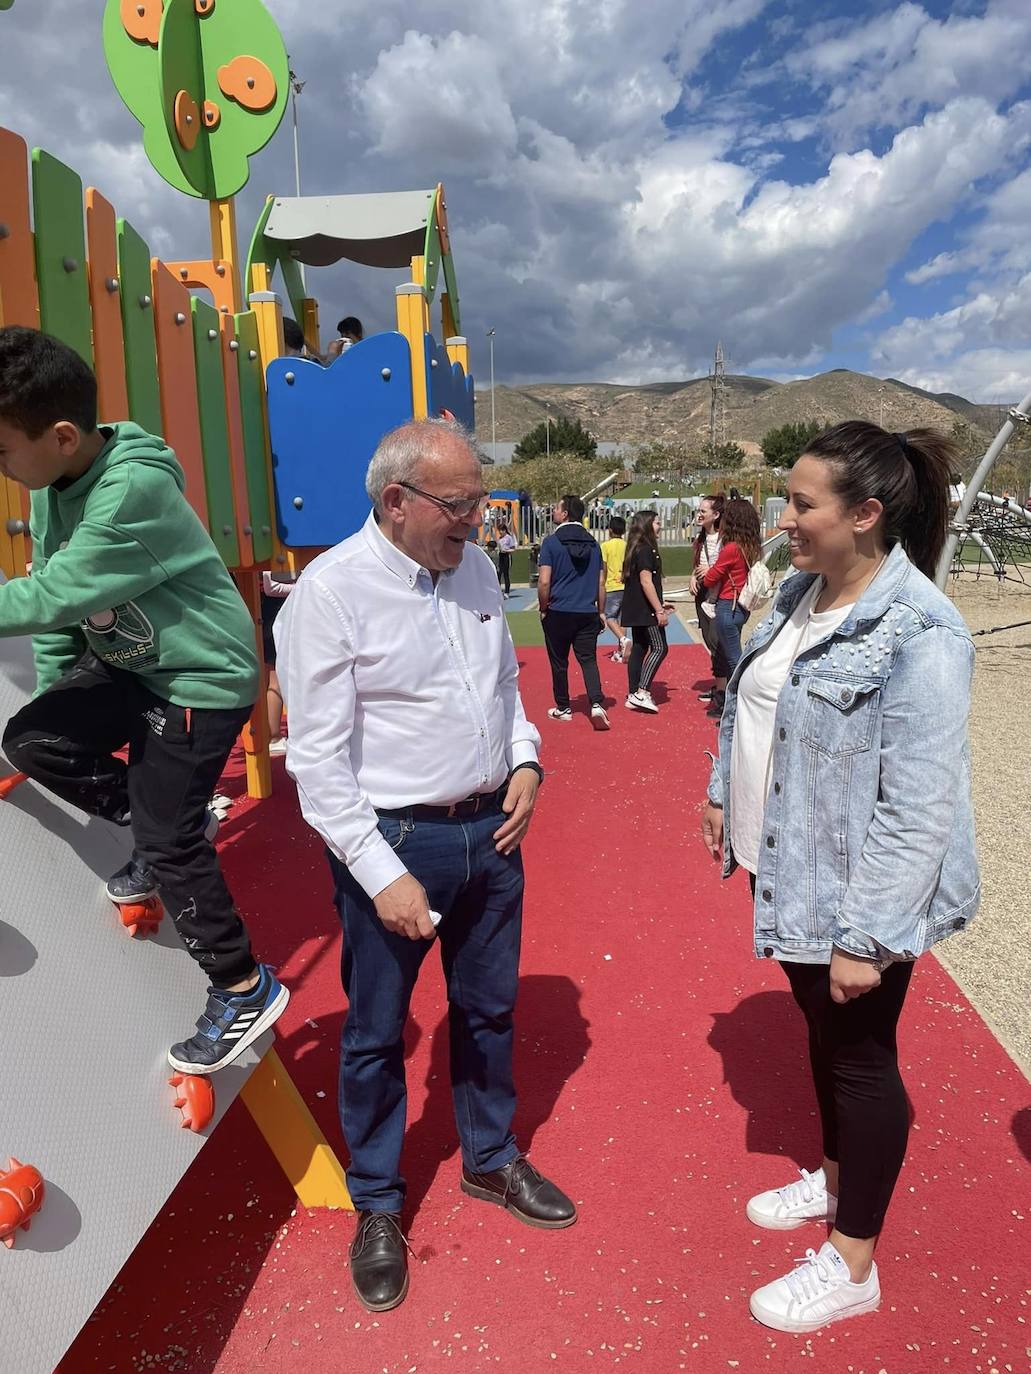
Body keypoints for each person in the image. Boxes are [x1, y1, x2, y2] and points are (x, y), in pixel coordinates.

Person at [274, 419, 576, 1313]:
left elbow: (502, 693)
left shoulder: (473, 568)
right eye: (460, 505)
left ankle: (488, 1158)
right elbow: (317, 765)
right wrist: (379, 873)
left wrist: (525, 758)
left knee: (488, 1010)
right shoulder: (328, 596)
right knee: (373, 1034)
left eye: (480, 502)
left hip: (494, 834)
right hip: (395, 845)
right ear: (394, 500)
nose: (476, 524)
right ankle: (377, 1202)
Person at [699, 421, 979, 1334]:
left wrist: (868, 937)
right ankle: (830, 1180)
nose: (782, 519)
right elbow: (748, 697)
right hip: (783, 868)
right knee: (820, 1039)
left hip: (854, 897)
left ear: (864, 516)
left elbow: (919, 805)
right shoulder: (796, 592)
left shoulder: (921, 631)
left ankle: (854, 1260)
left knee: (859, 1062)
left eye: (799, 503)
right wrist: (718, 797)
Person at [0, 326, 288, 1073]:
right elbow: (64, 610)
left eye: (2, 451)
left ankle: (242, 985)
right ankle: (167, 816)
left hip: (200, 678)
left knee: (167, 839)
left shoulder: (132, 489)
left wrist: (165, 826)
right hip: (132, 665)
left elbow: (53, 592)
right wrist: (59, 693)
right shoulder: (58, 488)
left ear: (61, 435)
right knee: (33, 740)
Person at [537, 493, 609, 730]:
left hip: (558, 611)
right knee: (588, 660)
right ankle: (597, 703)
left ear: (565, 513)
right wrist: (601, 612)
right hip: (587, 612)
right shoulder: (594, 544)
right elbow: (601, 583)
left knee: (559, 662)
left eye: (557, 508)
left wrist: (543, 607)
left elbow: (544, 581)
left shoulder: (551, 542)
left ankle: (563, 707)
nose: (554, 512)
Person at [700, 497, 762, 717]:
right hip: (741, 606)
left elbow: (709, 579)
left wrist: (707, 569)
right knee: (733, 655)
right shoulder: (751, 545)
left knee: (734, 660)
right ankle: (734, 705)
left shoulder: (731, 548)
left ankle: (738, 708)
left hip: (728, 604)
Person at [620, 509, 674, 714]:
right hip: (645, 610)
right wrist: (658, 610)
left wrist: (661, 603)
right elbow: (646, 581)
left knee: (640, 648)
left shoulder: (637, 548)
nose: (660, 526)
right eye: (657, 522)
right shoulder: (645, 550)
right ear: (647, 525)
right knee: (660, 647)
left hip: (638, 607)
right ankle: (641, 692)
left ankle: (633, 693)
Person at [688, 494, 728, 704]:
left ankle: (726, 687)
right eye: (699, 510)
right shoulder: (700, 539)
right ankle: (720, 685)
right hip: (703, 594)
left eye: (704, 511)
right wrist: (692, 576)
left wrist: (711, 570)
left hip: (721, 596)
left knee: (718, 641)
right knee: (708, 639)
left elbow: (728, 566)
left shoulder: (725, 539)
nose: (699, 514)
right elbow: (697, 564)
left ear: (716, 514)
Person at [261, 569, 295, 755]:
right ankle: (273, 736)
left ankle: (294, 731)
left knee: (296, 677)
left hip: (293, 611)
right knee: (276, 679)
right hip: (275, 612)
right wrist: (303, 586)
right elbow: (270, 586)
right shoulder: (271, 552)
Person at [599, 514, 631, 662]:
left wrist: (601, 585)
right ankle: (622, 650)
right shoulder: (627, 546)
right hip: (626, 585)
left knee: (610, 617)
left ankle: (623, 640)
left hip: (611, 586)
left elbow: (604, 568)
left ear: (610, 530)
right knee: (622, 620)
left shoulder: (605, 546)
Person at [496, 520, 517, 597]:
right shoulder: (500, 538)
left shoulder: (509, 538)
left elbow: (513, 549)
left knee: (506, 574)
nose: (500, 532)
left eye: (501, 530)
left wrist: (507, 550)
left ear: (505, 530)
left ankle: (507, 592)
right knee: (499, 573)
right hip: (501, 556)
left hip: (507, 556)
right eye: (499, 531)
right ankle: (498, 591)